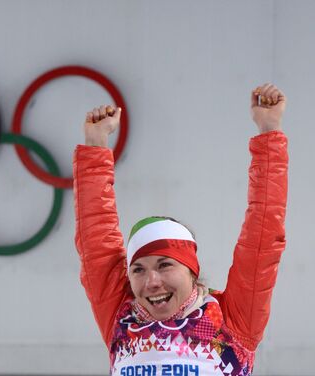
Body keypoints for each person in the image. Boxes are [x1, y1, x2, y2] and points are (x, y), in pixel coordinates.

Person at [73, 84, 288, 376]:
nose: (152, 281)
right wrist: (95, 142)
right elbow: (95, 236)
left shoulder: (233, 319)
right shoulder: (120, 315)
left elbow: (263, 232)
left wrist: (269, 130)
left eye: (165, 265)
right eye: (137, 269)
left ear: (192, 271)